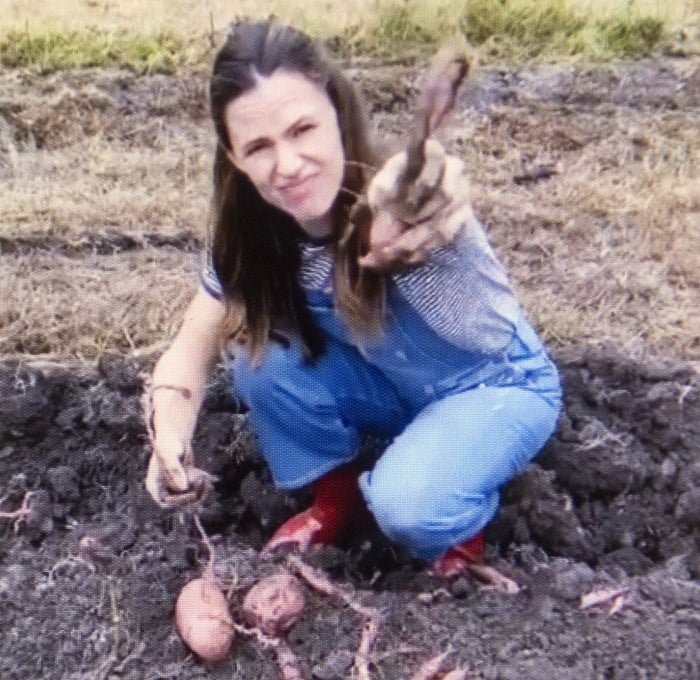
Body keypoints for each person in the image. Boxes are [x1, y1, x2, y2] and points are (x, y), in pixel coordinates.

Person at [144, 19, 561, 589]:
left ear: (337, 111)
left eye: (302, 129)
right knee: (259, 362)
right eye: (259, 146)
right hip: (396, 387)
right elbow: (190, 347)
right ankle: (339, 500)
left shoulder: (402, 204)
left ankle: (458, 526)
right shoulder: (253, 239)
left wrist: (435, 212)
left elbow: (441, 203)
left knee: (409, 506)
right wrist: (168, 434)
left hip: (494, 386)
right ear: (234, 156)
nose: (287, 164)